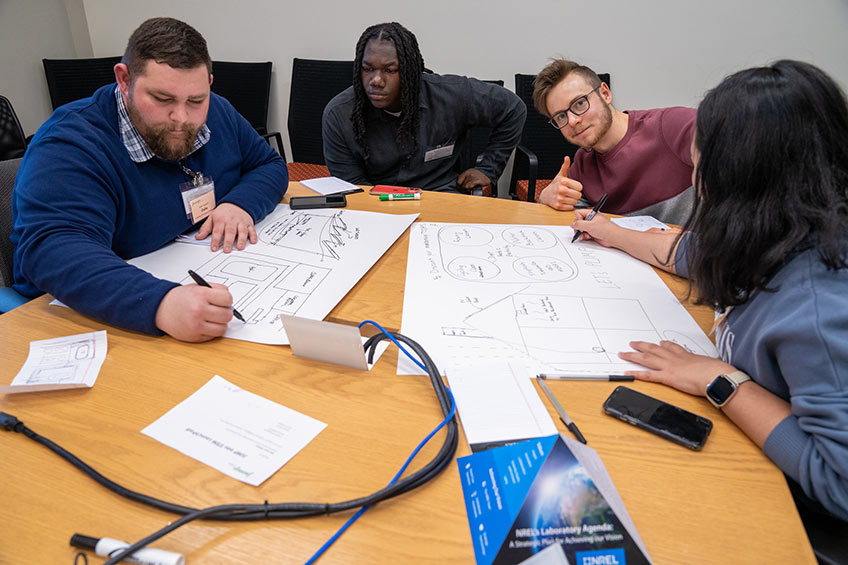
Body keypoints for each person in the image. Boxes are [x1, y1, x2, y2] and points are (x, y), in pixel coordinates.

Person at [570, 60, 848, 521]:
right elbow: (691, 253)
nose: (696, 183)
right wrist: (612, 233)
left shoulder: (819, 306)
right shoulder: (778, 229)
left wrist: (719, 381)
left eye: (701, 169)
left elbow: (839, 484)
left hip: (783, 508)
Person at [11, 17, 288, 342]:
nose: (181, 119)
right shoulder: (71, 144)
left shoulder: (218, 112)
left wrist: (240, 204)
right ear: (124, 80)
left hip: (188, 263)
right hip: (79, 318)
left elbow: (269, 165)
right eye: (162, 99)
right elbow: (54, 248)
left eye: (196, 101)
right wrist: (160, 303)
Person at [323, 22, 526, 194]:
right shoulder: (339, 115)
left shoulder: (450, 96)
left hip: (441, 197)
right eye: (367, 69)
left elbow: (513, 108)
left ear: (411, 71)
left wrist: (488, 168)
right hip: (377, 204)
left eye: (390, 70)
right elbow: (354, 188)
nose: (376, 80)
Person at [533, 59, 695, 224]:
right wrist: (545, 198)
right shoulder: (582, 165)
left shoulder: (670, 125)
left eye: (580, 103)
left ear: (605, 93)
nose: (573, 120)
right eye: (561, 116)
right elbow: (570, 226)